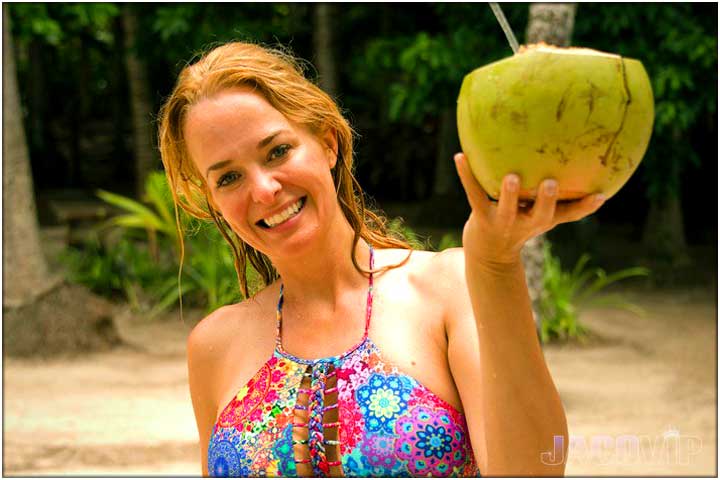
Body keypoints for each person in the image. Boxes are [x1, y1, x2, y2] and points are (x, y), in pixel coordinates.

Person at [158, 42, 604, 478]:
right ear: (212, 200)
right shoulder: (213, 345)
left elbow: (531, 472)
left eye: (277, 151)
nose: (263, 190)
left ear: (328, 142)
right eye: (229, 177)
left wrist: (496, 265)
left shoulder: (449, 287)